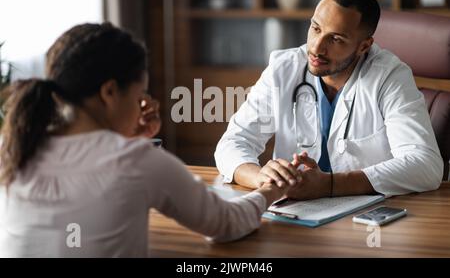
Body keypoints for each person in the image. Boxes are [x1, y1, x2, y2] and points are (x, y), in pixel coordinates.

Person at [0, 23, 292, 257]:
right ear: (109, 92)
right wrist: (270, 191)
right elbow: (224, 224)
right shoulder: (137, 160)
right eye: (139, 95)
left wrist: (126, 135)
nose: (143, 104)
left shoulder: (15, 143)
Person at [215, 0, 443, 199]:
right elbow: (233, 142)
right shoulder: (284, 69)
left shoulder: (389, 77)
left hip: (366, 218)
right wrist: (261, 177)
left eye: (335, 39)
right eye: (315, 28)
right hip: (294, 212)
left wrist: (331, 185)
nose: (316, 47)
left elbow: (426, 165)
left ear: (364, 46)